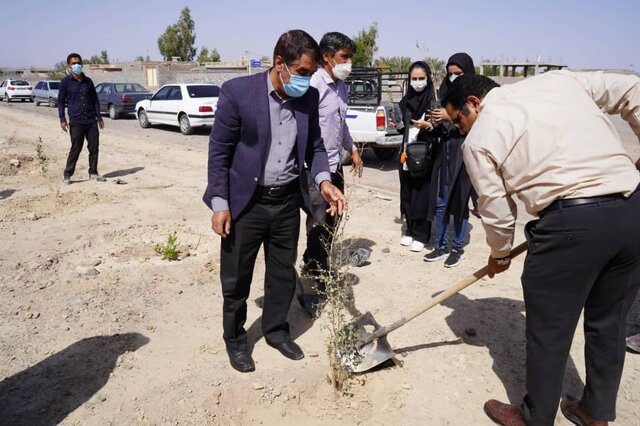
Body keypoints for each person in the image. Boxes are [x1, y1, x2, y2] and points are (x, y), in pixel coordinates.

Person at [442, 72, 640, 425]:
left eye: (459, 121)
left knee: (549, 329)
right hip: (631, 213)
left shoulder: (480, 137)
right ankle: (595, 415)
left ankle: (534, 418)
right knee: (609, 322)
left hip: (569, 226)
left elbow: (497, 209)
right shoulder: (559, 81)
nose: (461, 130)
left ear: (473, 103)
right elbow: (631, 87)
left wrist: (499, 253)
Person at [202, 30, 347, 373]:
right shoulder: (238, 93)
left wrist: (324, 181)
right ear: (279, 64)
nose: (308, 81)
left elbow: (315, 148)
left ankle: (276, 330)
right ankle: (235, 340)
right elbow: (219, 151)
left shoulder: (308, 98)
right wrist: (220, 203)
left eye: (311, 74)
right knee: (236, 278)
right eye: (303, 73)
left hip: (285, 203)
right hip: (247, 204)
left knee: (282, 273)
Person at [301, 31, 363, 284]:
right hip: (315, 167)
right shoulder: (313, 85)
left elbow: (341, 124)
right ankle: (317, 270)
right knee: (318, 220)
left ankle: (313, 259)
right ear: (326, 57)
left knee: (334, 217)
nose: (348, 63)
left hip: (335, 165)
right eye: (344, 57)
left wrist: (354, 149)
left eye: (350, 58)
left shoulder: (341, 87)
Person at [423, 53, 476, 267]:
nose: (454, 78)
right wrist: (432, 122)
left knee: (460, 203)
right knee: (441, 203)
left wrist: (450, 118)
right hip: (443, 155)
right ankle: (441, 245)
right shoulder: (445, 95)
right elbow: (439, 130)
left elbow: (474, 128)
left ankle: (457, 247)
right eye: (450, 74)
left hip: (462, 157)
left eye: (459, 74)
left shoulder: (474, 100)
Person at [398, 61, 437, 252]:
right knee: (407, 193)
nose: (418, 82)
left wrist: (428, 126)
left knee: (422, 195)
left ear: (428, 79)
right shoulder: (406, 101)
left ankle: (422, 234)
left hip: (424, 155)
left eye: (421, 78)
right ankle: (410, 230)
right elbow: (402, 125)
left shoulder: (434, 103)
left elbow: (441, 129)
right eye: (414, 78)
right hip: (406, 154)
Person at [57, 53, 106, 184]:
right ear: (69, 66)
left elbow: (95, 100)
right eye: (73, 63)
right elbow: (61, 102)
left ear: (82, 64)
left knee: (94, 147)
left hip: (91, 121)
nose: (76, 65)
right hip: (76, 121)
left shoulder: (88, 81)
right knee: (76, 148)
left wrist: (99, 117)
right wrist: (62, 119)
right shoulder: (65, 82)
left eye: (78, 63)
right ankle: (67, 174)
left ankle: (93, 172)